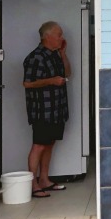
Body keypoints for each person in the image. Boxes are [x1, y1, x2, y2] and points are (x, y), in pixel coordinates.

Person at [22, 21, 70, 198]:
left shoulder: (55, 55)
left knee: (49, 143)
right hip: (42, 110)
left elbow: (67, 73)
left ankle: (44, 179)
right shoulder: (35, 57)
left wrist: (63, 54)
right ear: (47, 36)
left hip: (57, 109)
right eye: (59, 35)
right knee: (39, 145)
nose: (61, 38)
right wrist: (51, 81)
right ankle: (33, 184)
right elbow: (27, 83)